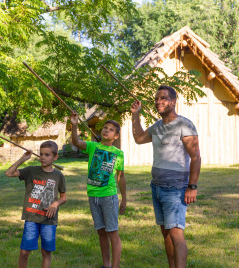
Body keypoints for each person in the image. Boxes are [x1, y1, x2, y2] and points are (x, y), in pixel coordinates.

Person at [130, 85, 201, 268]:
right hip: (157, 186)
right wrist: (135, 115)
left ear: (173, 102)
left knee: (176, 233)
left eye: (163, 98)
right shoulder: (157, 127)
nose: (158, 102)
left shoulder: (184, 125)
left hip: (176, 187)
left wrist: (192, 186)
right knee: (166, 233)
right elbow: (138, 138)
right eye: (156, 99)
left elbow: (195, 157)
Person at [70, 113, 126, 268]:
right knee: (101, 232)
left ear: (116, 135)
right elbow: (75, 141)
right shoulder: (93, 146)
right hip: (93, 196)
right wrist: (74, 125)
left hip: (109, 196)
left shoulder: (118, 154)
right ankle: (106, 265)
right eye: (105, 128)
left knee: (112, 232)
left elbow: (121, 177)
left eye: (111, 130)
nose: (106, 131)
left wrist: (124, 199)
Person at [5, 141, 66, 268]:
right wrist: (23, 159)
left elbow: (63, 197)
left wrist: (56, 203)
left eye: (47, 155)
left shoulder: (58, 175)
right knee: (24, 252)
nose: (43, 157)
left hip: (49, 219)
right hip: (31, 218)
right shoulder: (31, 171)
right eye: (41, 154)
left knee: (46, 251)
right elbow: (8, 173)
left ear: (55, 157)